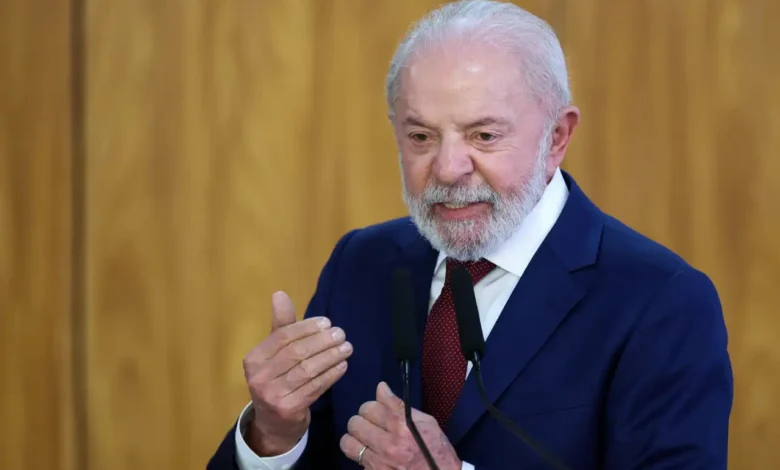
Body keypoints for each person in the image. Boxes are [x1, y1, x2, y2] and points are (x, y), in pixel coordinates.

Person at [208, 1, 733, 468]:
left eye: (483, 135)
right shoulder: (362, 263)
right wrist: (274, 435)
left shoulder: (661, 301)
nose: (448, 168)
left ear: (557, 137)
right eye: (421, 136)